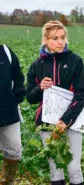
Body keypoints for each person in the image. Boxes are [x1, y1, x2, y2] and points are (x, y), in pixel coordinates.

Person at [26, 21, 84, 185]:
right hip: (47, 123)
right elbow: (30, 98)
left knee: (74, 167)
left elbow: (81, 94)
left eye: (62, 37)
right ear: (46, 40)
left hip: (72, 121)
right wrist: (40, 87)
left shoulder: (75, 61)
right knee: (55, 168)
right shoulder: (36, 65)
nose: (61, 42)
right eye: (55, 38)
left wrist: (65, 121)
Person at [0, 44, 25, 185]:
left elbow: (18, 77)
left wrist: (16, 98)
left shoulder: (5, 51)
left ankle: (7, 182)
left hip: (8, 111)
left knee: (14, 150)